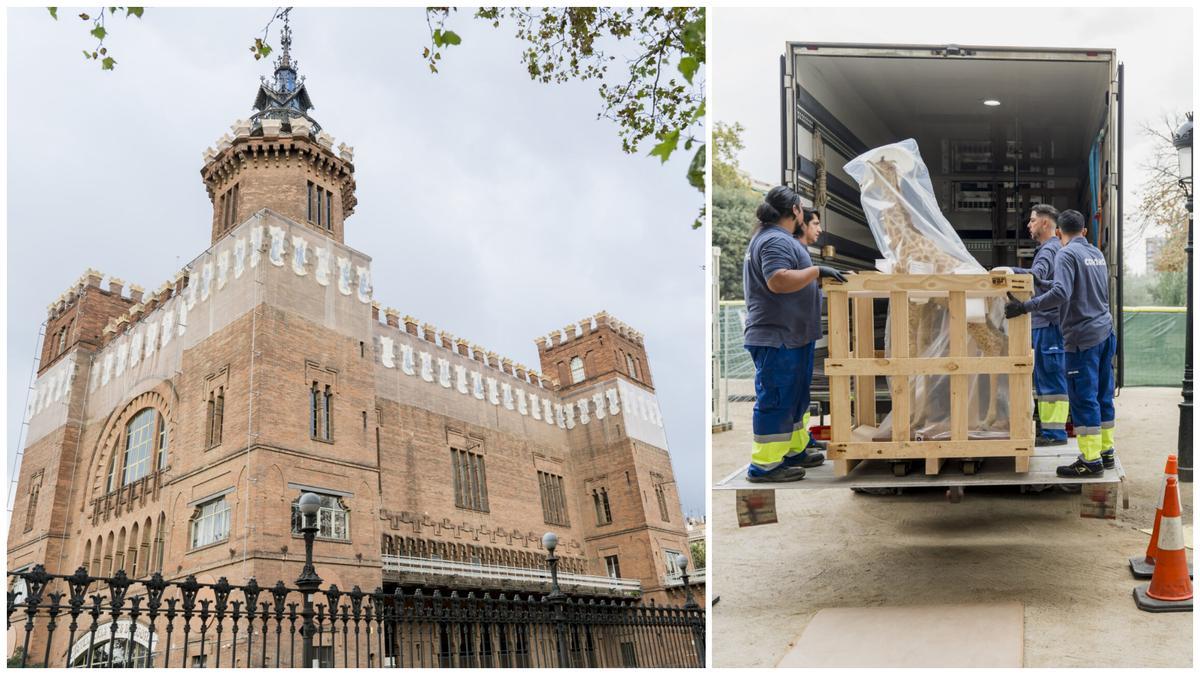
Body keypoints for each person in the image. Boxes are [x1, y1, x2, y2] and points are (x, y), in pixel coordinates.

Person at [743, 186, 848, 482]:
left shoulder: (777, 238)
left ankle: (794, 449)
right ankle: (765, 466)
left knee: (796, 398)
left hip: (792, 335)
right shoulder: (774, 240)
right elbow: (778, 280)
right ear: (796, 211)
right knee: (777, 398)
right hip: (777, 337)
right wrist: (816, 272)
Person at [1005, 209, 1116, 477]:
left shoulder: (1065, 253)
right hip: (1105, 332)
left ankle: (1090, 461)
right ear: (1084, 231)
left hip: (1082, 339)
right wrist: (1036, 279)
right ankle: (1105, 452)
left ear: (1058, 232)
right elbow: (1071, 285)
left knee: (1083, 398)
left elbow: (1062, 292)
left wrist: (1025, 307)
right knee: (1103, 395)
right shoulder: (1095, 254)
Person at [997, 204, 1069, 446]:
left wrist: (1009, 271)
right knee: (1045, 377)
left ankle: (1054, 434)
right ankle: (1051, 432)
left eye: (1032, 220)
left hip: (1048, 324)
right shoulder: (1051, 248)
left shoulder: (1049, 249)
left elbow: (1034, 277)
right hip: (1045, 323)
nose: (1028, 225)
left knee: (1050, 377)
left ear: (1046, 224)